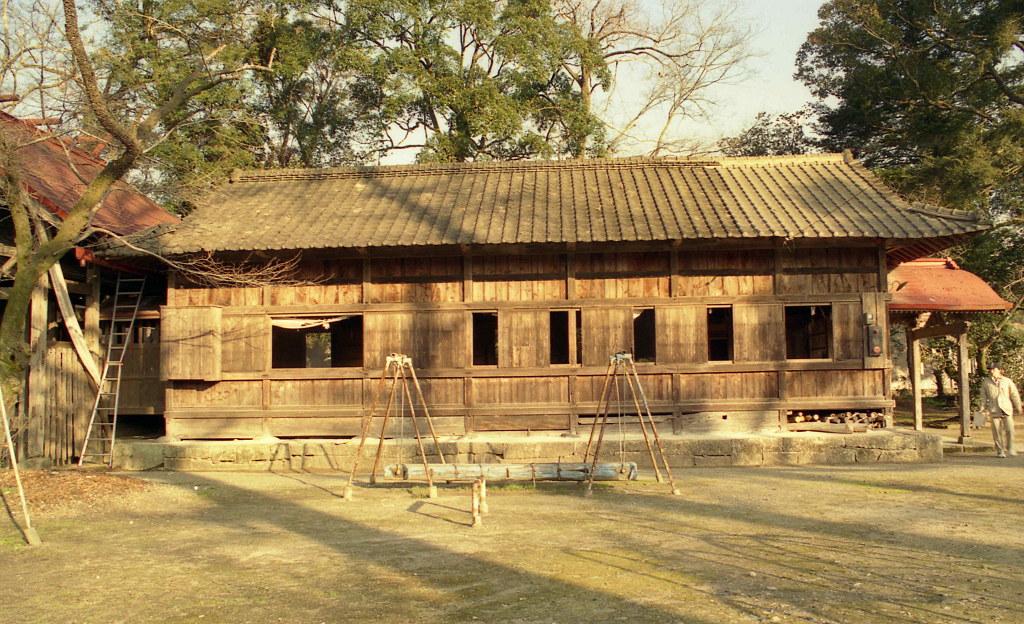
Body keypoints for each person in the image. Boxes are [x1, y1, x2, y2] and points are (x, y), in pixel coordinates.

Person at [979, 363, 1021, 458]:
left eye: (993, 369)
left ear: (999, 370)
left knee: (1010, 430)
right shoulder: (986, 383)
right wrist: (982, 407)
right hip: (994, 409)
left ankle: (1010, 447)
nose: (992, 371)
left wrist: (1018, 407)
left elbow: (1014, 394)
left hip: (1006, 409)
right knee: (997, 432)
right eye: (990, 370)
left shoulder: (1007, 381)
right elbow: (983, 397)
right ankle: (1000, 450)